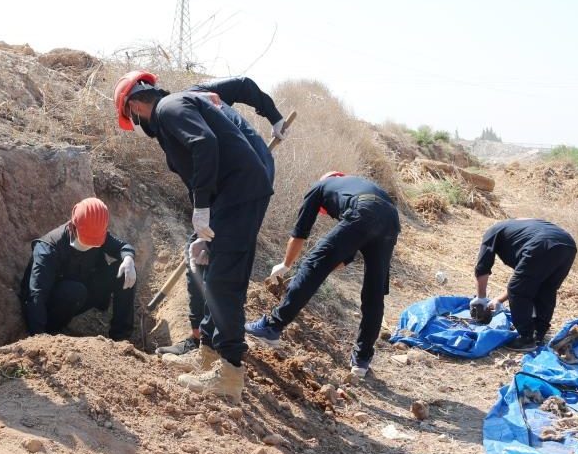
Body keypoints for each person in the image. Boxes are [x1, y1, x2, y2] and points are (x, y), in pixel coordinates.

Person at [113, 71, 273, 403]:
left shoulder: (168, 108)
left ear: (134, 106)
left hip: (239, 194)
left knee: (223, 281)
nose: (137, 125)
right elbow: (205, 161)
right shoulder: (175, 107)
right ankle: (208, 353)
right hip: (232, 196)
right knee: (213, 274)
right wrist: (205, 227)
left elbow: (204, 144)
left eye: (130, 117)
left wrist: (201, 207)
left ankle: (229, 373)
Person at [155, 77, 285, 357]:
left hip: (237, 181)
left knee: (213, 261)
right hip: (245, 177)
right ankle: (208, 342)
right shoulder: (193, 101)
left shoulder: (185, 100)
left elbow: (241, 86)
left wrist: (273, 115)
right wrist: (274, 116)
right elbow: (244, 86)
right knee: (210, 255)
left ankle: (207, 343)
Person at [245, 172, 400, 381]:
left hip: (364, 211)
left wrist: (287, 265)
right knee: (374, 293)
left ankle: (272, 326)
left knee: (312, 263)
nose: (325, 213)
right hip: (391, 220)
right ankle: (362, 360)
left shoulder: (319, 187)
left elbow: (300, 233)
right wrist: (313, 274)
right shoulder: (355, 188)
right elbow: (343, 258)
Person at [19, 198, 137, 340]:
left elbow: (123, 247)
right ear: (72, 227)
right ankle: (52, 331)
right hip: (52, 306)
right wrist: (39, 337)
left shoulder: (97, 233)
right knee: (74, 291)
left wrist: (128, 258)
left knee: (125, 271)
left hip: (81, 293)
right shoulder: (48, 249)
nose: (89, 246)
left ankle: (121, 338)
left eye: (94, 243)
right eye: (86, 241)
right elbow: (36, 296)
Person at [470, 219, 577, 352]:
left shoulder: (492, 232)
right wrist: (498, 300)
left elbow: (482, 268)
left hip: (542, 243)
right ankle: (538, 333)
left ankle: (526, 338)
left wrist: (481, 298)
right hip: (568, 245)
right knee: (546, 289)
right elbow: (526, 283)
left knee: (518, 289)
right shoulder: (521, 228)